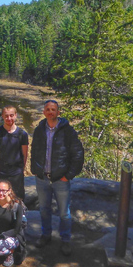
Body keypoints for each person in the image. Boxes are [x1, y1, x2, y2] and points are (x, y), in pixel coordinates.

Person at [31, 99, 84, 256]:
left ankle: (65, 240)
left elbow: (78, 153)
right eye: (47, 109)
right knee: (44, 210)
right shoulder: (39, 129)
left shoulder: (67, 131)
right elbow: (35, 150)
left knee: (64, 213)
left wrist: (68, 175)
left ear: (58, 112)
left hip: (61, 180)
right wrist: (36, 170)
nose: (50, 112)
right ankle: (46, 235)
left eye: (53, 109)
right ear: (44, 112)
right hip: (42, 179)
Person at [0, 105, 28, 199]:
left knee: (17, 199)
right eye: (6, 116)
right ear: (2, 116)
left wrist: (21, 170)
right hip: (1, 172)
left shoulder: (22, 134)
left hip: (16, 173)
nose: (9, 118)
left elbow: (25, 154)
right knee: (0, 200)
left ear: (16, 115)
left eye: (11, 115)